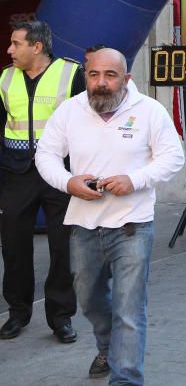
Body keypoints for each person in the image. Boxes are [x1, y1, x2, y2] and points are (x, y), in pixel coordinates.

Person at [35, 47, 185, 383]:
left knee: (130, 310)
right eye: (94, 75)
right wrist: (68, 182)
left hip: (132, 225)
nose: (101, 83)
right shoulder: (69, 111)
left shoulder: (149, 111)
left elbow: (173, 157)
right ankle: (109, 346)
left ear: (126, 78)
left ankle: (125, 378)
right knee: (88, 299)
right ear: (86, 76)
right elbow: (45, 156)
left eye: (110, 75)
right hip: (84, 225)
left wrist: (134, 180)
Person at [0, 21, 84, 344]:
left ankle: (61, 318)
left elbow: (89, 122)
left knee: (62, 246)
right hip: (16, 173)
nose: (9, 50)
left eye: (15, 43)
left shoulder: (72, 74)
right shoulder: (5, 78)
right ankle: (17, 313)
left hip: (60, 173)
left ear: (37, 47)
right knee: (14, 247)